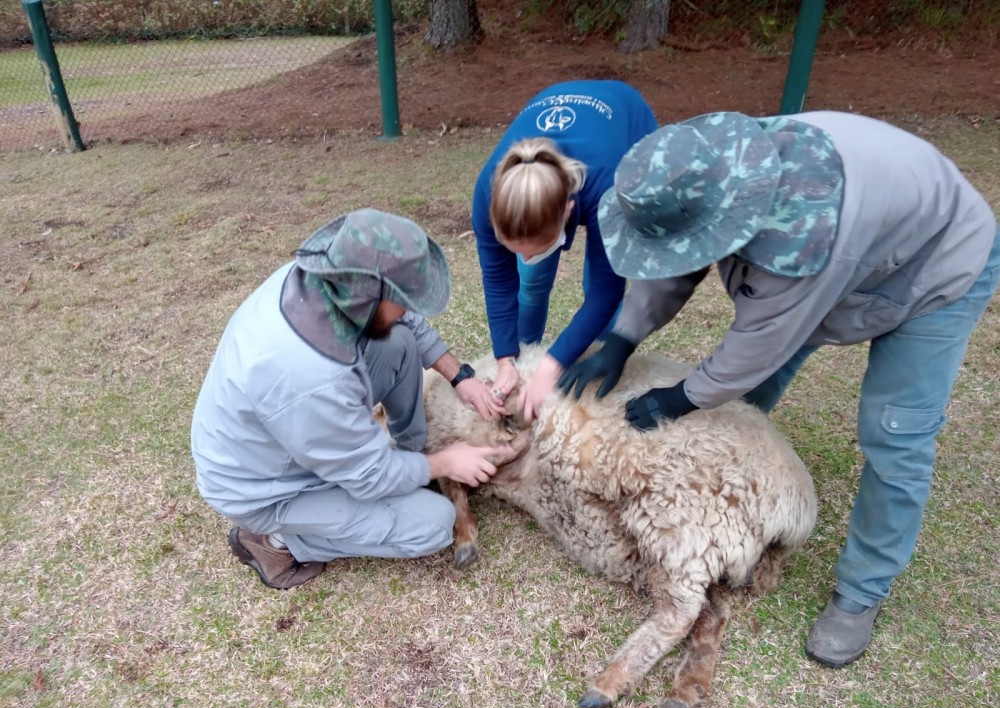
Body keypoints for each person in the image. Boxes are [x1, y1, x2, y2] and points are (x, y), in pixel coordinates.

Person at [557, 110, 1000, 667]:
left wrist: (681, 398)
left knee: (895, 433)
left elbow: (759, 342)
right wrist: (624, 334)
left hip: (934, 265)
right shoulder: (707, 164)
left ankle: (862, 591)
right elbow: (675, 253)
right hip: (859, 240)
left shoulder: (800, 240)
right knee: (737, 401)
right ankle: (724, 495)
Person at [191, 208, 515, 589]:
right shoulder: (311, 376)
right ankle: (276, 540)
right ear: (370, 297)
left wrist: (460, 376)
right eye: (403, 298)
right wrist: (446, 462)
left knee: (399, 341)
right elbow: (367, 477)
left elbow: (403, 321)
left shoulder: (324, 284)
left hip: (295, 433)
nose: (409, 308)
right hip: (268, 487)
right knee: (434, 525)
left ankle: (412, 458)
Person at [471, 80, 658, 421]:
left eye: (536, 246)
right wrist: (506, 359)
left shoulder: (609, 191)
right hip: (563, 120)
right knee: (532, 279)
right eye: (516, 249)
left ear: (569, 211)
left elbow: (606, 292)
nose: (524, 257)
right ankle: (527, 354)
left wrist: (551, 368)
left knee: (597, 280)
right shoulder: (488, 192)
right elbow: (498, 280)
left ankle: (596, 363)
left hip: (627, 125)